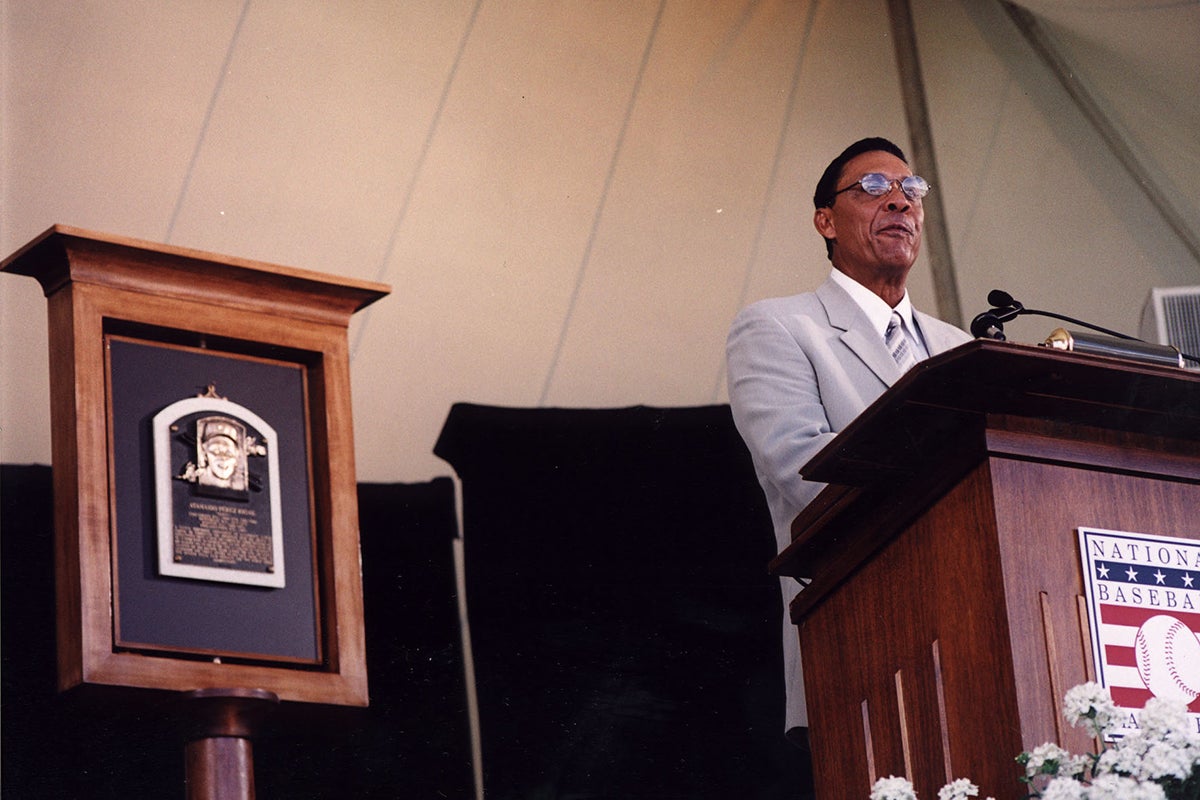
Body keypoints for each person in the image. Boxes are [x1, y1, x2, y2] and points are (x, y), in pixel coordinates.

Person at [725, 137, 973, 744]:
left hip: (971, 631)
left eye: (911, 191)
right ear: (825, 221)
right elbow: (802, 467)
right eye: (873, 188)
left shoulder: (961, 348)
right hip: (860, 637)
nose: (899, 202)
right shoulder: (780, 326)